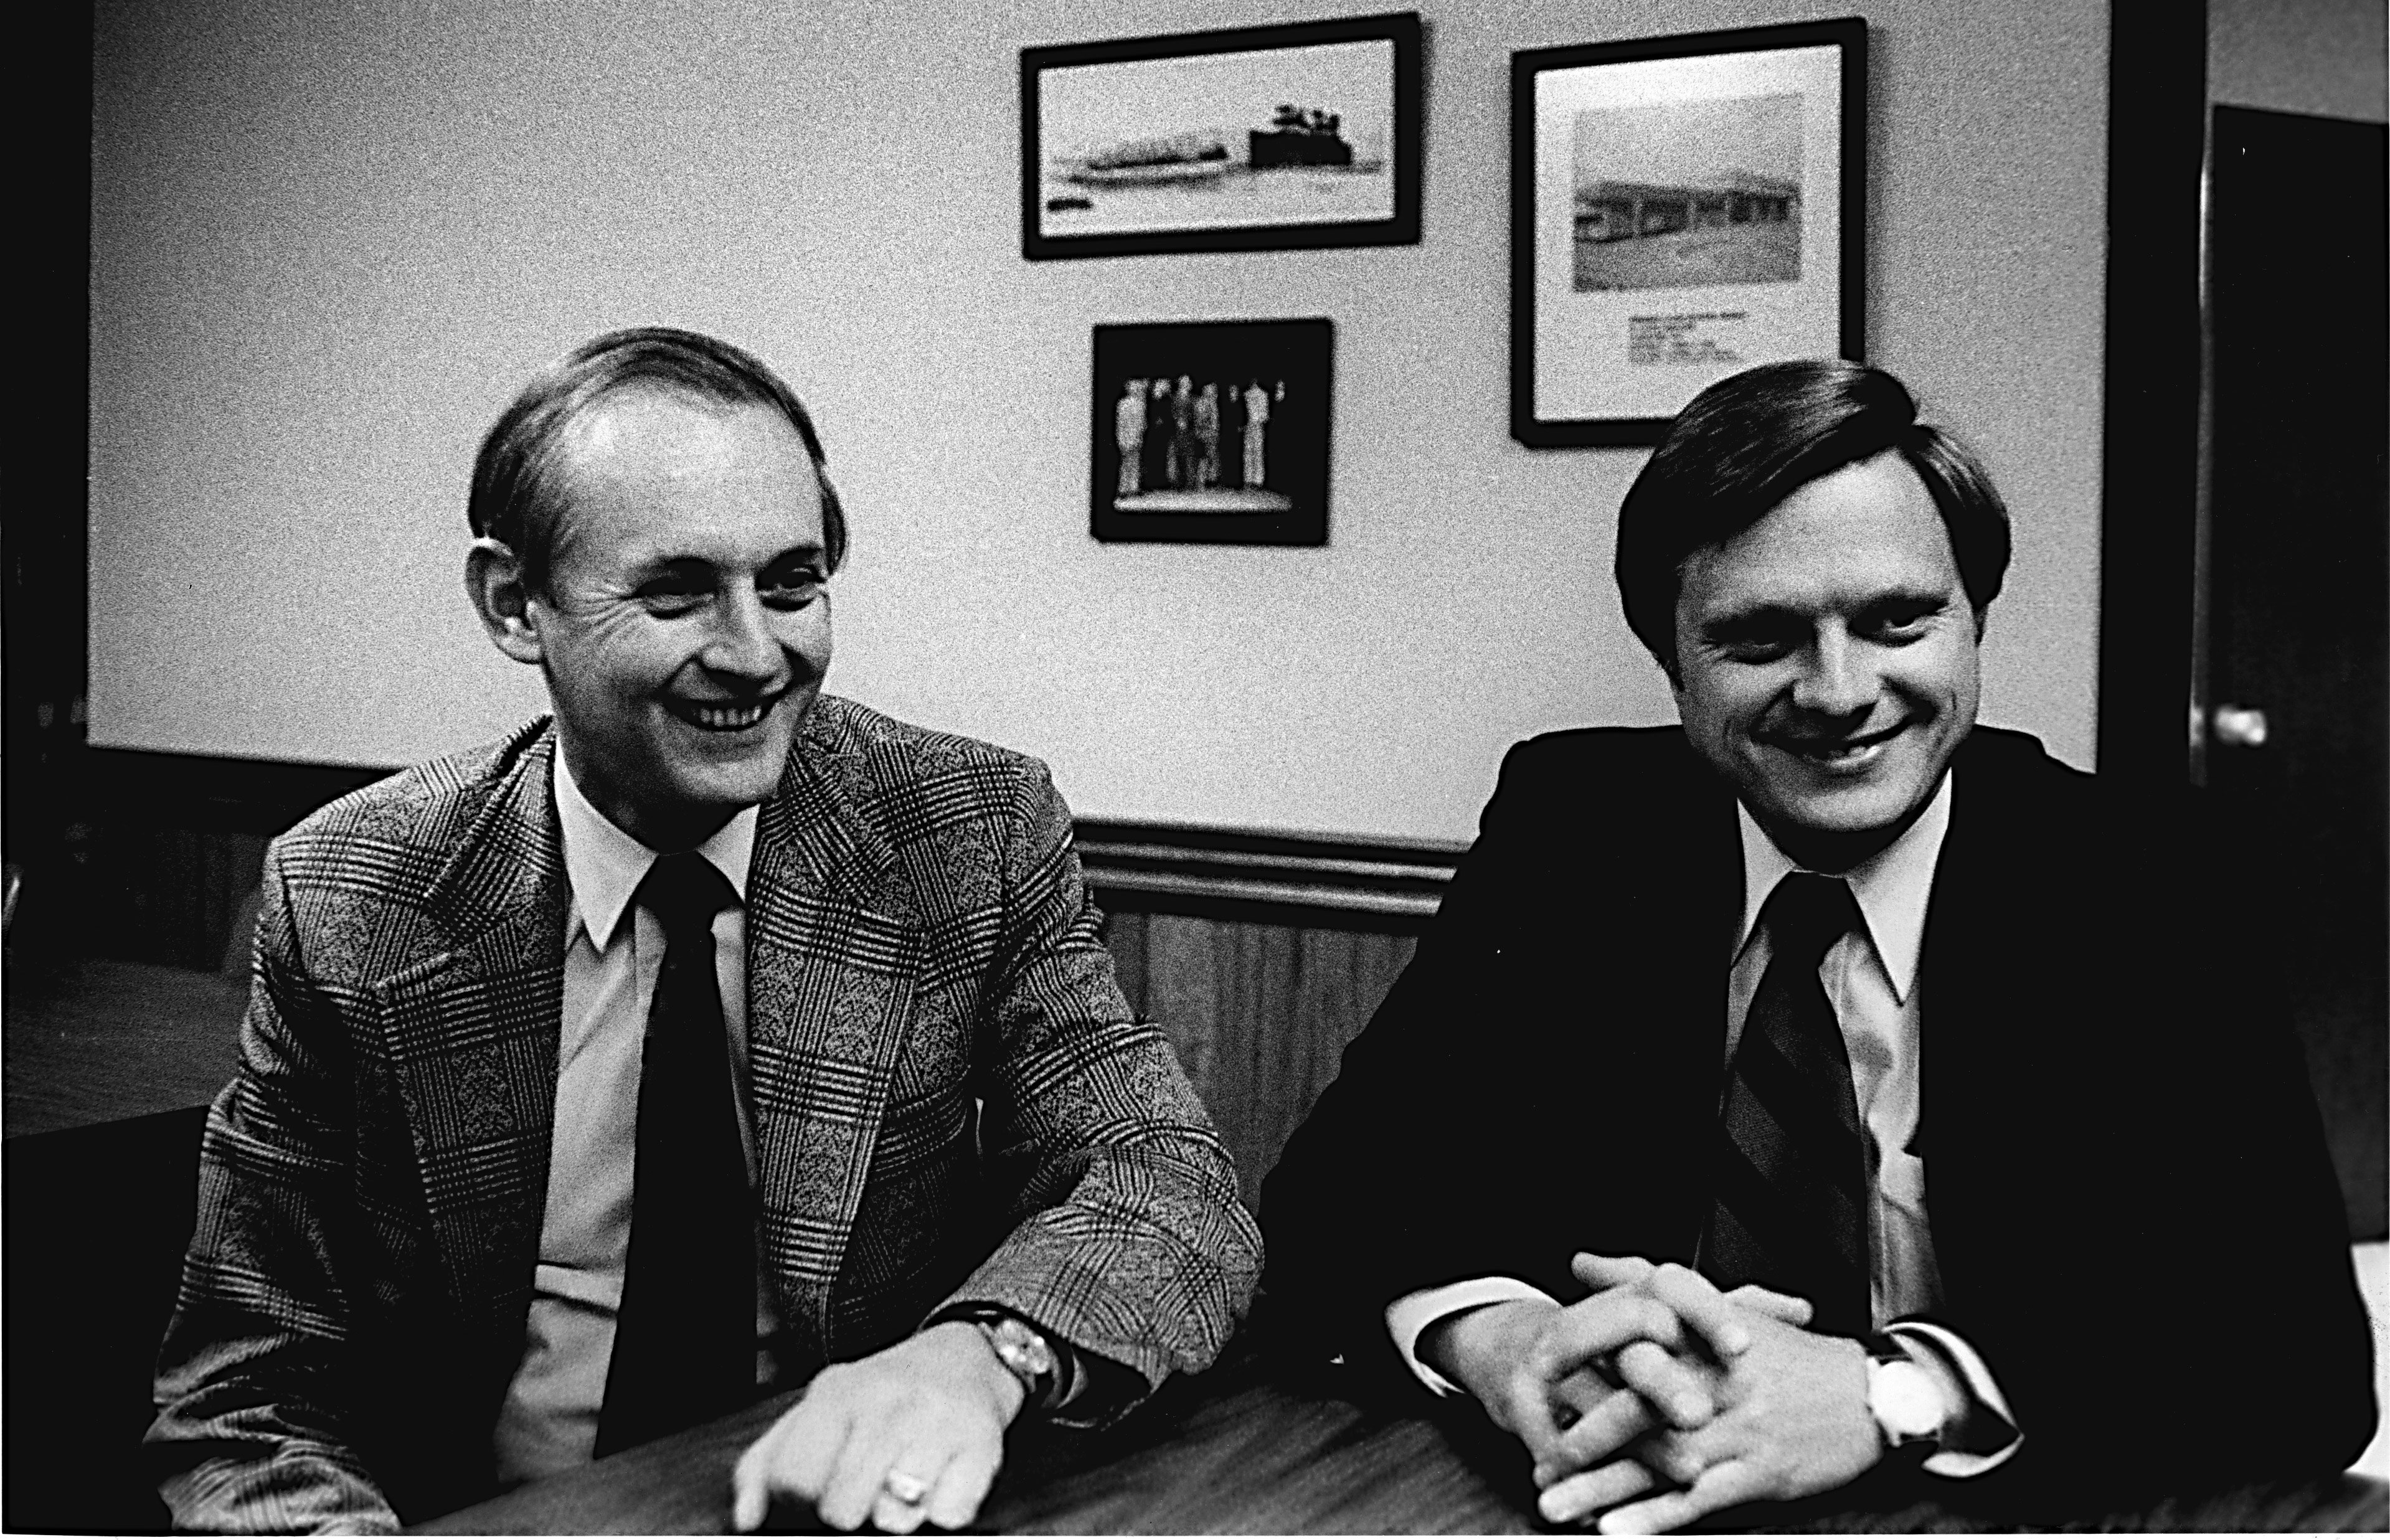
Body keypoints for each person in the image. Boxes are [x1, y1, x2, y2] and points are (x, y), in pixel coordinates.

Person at [148, 327, 1262, 1534]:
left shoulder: (962, 833)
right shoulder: (353, 893)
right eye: (677, 593)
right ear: (514, 603)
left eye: (790, 585)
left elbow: (1169, 1184)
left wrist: (978, 1359)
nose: (754, 653)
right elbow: (247, 1394)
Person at [1262, 359, 2374, 1533]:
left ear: (1974, 620)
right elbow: (1334, 1203)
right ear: (1669, 656)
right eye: (1759, 639)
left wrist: (1891, 1392)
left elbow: (2294, 1366)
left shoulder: (2146, 880)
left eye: (1898, 621)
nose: (1839, 691)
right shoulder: (1573, 823)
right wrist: (1510, 1342)